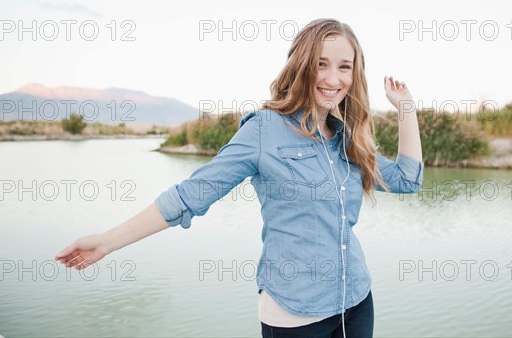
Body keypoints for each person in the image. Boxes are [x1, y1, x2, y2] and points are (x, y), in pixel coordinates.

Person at [54, 18, 424, 338]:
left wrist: (407, 109)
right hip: (295, 314)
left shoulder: (347, 137)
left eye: (344, 67)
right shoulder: (264, 129)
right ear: (301, 67)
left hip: (356, 300)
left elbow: (408, 179)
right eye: (321, 64)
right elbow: (188, 196)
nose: (332, 78)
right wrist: (107, 242)